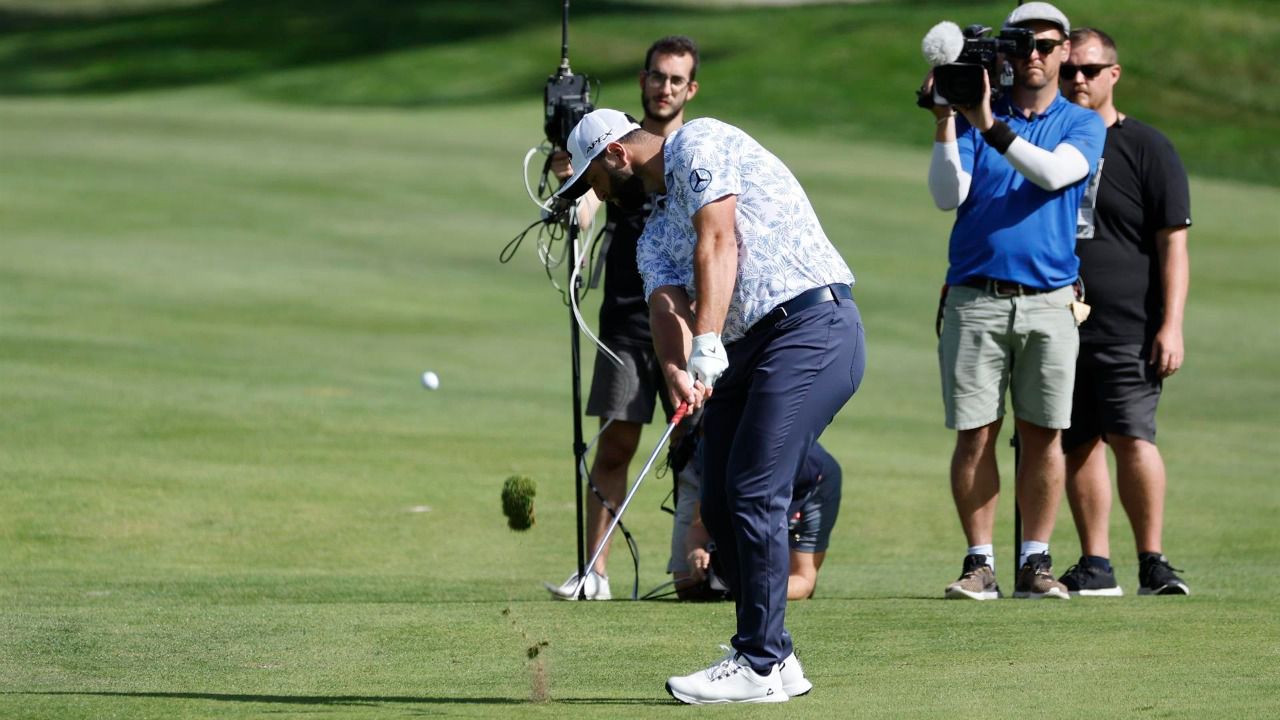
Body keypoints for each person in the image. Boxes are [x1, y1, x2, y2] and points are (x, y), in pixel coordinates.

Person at [552, 104, 864, 703]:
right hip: (750, 351)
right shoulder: (651, 233)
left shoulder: (700, 142)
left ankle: (757, 663)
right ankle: (779, 656)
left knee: (754, 489)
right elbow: (666, 304)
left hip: (812, 325)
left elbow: (717, 239)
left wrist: (708, 340)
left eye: (594, 179)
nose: (597, 193)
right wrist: (676, 368)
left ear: (616, 154)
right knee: (718, 503)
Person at [924, 2, 1105, 600]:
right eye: (1023, 43)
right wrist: (948, 120)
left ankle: (1035, 562)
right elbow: (948, 194)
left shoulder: (1082, 122)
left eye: (1047, 45)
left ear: (1064, 52)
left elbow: (1053, 174)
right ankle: (980, 563)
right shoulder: (977, 114)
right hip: (975, 297)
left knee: (1044, 434)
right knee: (974, 432)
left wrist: (986, 123)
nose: (1034, 55)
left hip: (1050, 300)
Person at [545, 36, 702, 601]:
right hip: (626, 320)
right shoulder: (613, 148)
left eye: (676, 80)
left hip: (686, 319)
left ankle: (697, 563)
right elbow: (586, 213)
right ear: (643, 80)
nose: (664, 88)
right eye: (657, 76)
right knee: (615, 445)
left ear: (690, 89)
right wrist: (569, 183)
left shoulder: (690, 153)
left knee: (694, 446)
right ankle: (595, 572)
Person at [1057, 27, 1192, 596]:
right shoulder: (1050, 139)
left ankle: (1153, 562)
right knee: (1076, 441)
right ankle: (1096, 563)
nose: (1078, 79)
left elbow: (1173, 243)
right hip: (1058, 319)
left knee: (1131, 435)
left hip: (1129, 322)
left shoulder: (1146, 147)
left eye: (1089, 70)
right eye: (1069, 70)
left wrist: (1171, 324)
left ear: (1113, 74)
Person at [669, 416, 843, 602]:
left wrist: (748, 588)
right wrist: (695, 550)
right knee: (689, 586)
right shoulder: (717, 456)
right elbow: (698, 527)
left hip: (812, 485)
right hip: (714, 464)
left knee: (771, 576)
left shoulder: (815, 477)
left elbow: (804, 579)